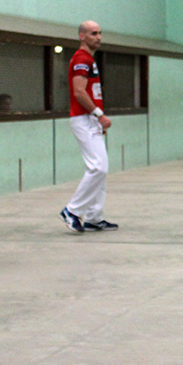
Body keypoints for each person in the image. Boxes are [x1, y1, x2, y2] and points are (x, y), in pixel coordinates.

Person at [59, 20, 118, 233]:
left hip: (91, 119)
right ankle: (72, 211)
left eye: (100, 33)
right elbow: (79, 91)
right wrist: (99, 115)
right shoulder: (81, 59)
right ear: (82, 36)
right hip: (83, 119)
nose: (99, 37)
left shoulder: (89, 59)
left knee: (101, 169)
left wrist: (97, 118)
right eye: (94, 33)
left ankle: (94, 217)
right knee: (98, 167)